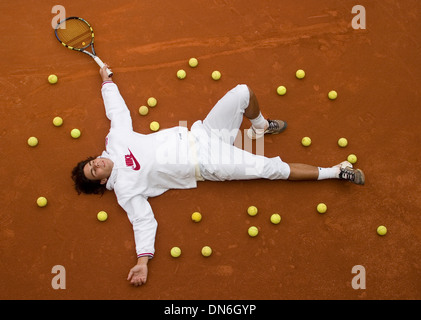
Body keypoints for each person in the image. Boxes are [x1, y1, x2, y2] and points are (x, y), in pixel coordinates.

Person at [72, 65, 365, 287]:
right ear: (100, 182)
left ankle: (261, 125)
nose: (97, 164)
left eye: (92, 162)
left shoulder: (115, 141)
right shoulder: (125, 189)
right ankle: (337, 171)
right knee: (270, 169)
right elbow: (143, 221)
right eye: (93, 171)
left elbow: (118, 113)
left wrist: (106, 80)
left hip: (202, 132)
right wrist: (142, 261)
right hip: (210, 163)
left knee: (242, 92)